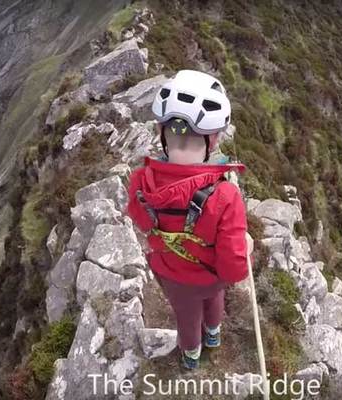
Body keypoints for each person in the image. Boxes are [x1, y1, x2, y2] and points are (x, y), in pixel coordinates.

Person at [126, 70, 253, 370]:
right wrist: (245, 250)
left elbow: (140, 219)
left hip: (172, 274)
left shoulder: (141, 182)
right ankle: (213, 336)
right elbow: (234, 269)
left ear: (161, 130)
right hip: (210, 276)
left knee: (187, 316)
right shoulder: (226, 195)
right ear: (215, 138)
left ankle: (191, 356)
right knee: (214, 300)